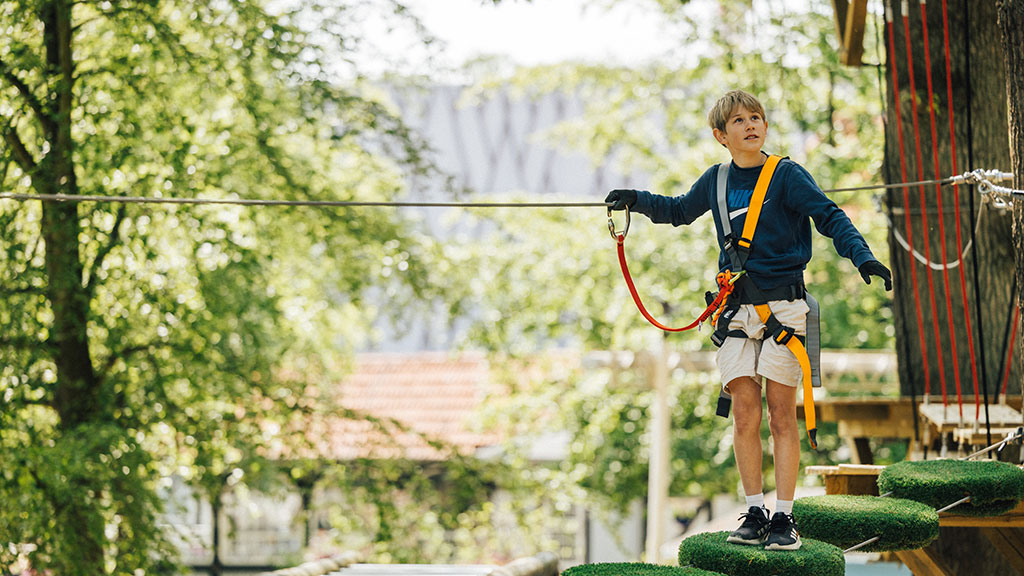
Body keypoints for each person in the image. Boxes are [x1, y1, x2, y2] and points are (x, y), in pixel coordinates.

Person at [605, 89, 891, 551]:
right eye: (739, 121)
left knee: (781, 415)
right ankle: (755, 509)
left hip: (783, 308)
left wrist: (863, 259)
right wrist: (635, 200)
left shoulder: (787, 176)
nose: (751, 125)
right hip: (736, 309)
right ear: (722, 135)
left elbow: (830, 217)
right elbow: (678, 210)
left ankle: (784, 516)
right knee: (744, 412)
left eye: (756, 117)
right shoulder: (717, 181)